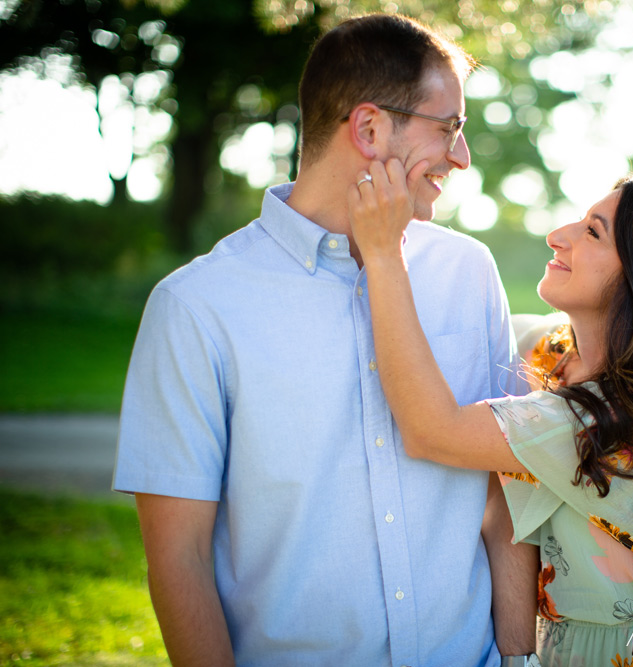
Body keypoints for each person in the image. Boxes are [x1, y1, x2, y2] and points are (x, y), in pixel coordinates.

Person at [112, 14, 539, 666]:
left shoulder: (468, 272)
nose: (462, 155)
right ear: (369, 129)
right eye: (448, 127)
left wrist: (517, 658)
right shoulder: (196, 307)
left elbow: (503, 497)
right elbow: (180, 558)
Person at [347, 164, 633, 665]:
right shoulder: (570, 364)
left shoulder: (612, 423)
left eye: (592, 232)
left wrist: (383, 255)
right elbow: (512, 336)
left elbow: (431, 431)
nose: (557, 236)